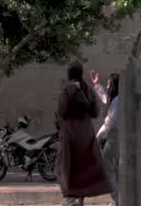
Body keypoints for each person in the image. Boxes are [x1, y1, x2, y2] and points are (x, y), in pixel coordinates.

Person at [56, 62, 111, 206]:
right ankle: (79, 200)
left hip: (71, 133)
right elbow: (95, 112)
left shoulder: (67, 90)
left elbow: (61, 111)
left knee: (67, 166)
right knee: (84, 167)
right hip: (86, 133)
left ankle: (71, 199)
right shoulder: (87, 90)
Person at [91, 71, 121, 205]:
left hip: (114, 136)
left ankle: (118, 200)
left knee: (108, 169)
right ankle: (119, 200)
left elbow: (109, 122)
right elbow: (105, 98)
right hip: (115, 136)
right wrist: (97, 84)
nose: (107, 87)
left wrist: (98, 136)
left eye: (109, 85)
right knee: (114, 169)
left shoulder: (117, 101)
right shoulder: (116, 99)